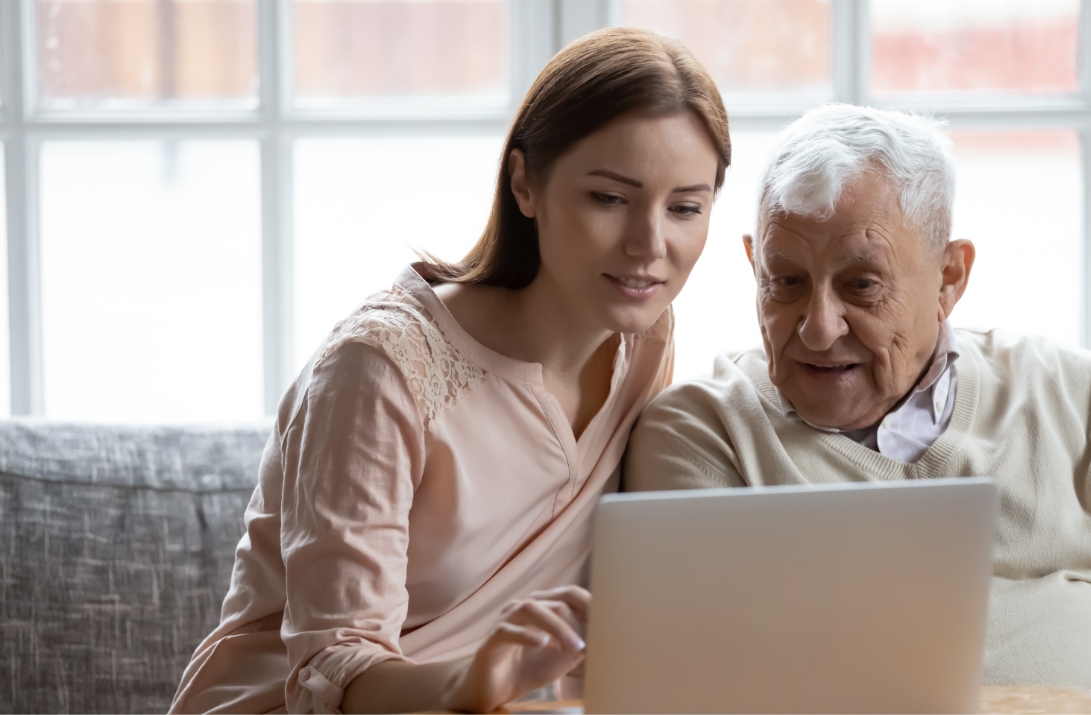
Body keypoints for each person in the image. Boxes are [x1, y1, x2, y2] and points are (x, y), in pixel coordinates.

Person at [170, 27, 729, 714]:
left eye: (684, 208)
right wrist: (474, 679)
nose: (650, 245)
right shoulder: (377, 371)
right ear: (526, 182)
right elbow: (330, 670)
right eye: (609, 198)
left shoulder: (642, 342)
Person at [623, 103, 1091, 711]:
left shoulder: (1078, 397)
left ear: (949, 277)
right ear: (753, 265)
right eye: (786, 282)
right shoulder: (701, 436)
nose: (817, 327)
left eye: (861, 284)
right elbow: (701, 697)